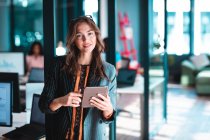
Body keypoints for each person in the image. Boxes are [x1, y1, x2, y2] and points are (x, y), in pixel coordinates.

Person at [39, 16, 117, 140]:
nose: (86, 39)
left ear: (96, 35)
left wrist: (108, 109)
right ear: (73, 39)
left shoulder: (109, 70)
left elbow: (109, 116)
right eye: (79, 35)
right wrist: (61, 101)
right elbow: (43, 104)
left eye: (90, 33)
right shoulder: (58, 65)